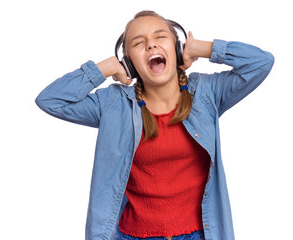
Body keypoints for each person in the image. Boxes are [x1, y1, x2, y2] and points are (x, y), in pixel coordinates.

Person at [35, 10, 274, 240]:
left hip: (199, 234)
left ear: (177, 49)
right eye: (138, 43)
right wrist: (102, 69)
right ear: (129, 62)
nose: (151, 45)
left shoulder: (207, 93)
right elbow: (50, 100)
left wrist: (203, 48)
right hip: (132, 235)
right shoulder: (112, 104)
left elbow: (261, 63)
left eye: (160, 37)